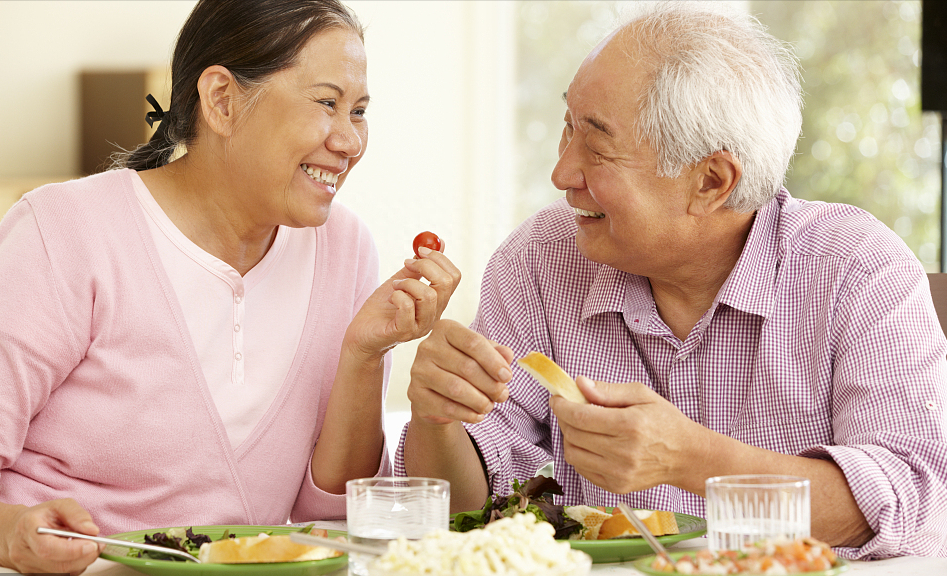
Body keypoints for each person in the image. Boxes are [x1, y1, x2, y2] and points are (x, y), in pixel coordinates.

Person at [0, 0, 460, 573]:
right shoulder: (68, 229)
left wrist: (364, 354)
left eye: (358, 111)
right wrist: (9, 536)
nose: (350, 141)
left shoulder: (344, 246)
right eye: (327, 103)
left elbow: (319, 514)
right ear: (223, 100)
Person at [399, 1, 947, 561]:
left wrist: (692, 461)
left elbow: (907, 500)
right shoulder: (541, 261)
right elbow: (466, 513)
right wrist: (436, 419)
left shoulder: (857, 268)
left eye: (597, 145)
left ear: (710, 181)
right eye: (568, 127)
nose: (562, 173)